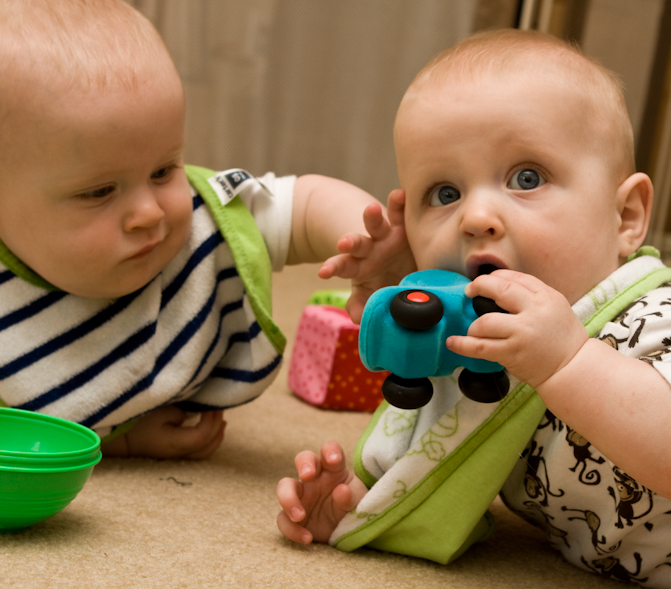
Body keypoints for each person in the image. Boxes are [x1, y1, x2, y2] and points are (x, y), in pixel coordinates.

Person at [276, 29, 671, 589]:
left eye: (526, 177)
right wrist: (361, 504)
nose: (475, 217)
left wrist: (570, 361)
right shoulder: (479, 343)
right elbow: (444, 451)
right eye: (444, 194)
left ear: (625, 217)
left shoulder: (658, 319)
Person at [0, 0, 411, 460]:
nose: (150, 213)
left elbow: (304, 204)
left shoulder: (203, 221)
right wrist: (127, 438)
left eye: (163, 170)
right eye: (99, 192)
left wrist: (370, 243)